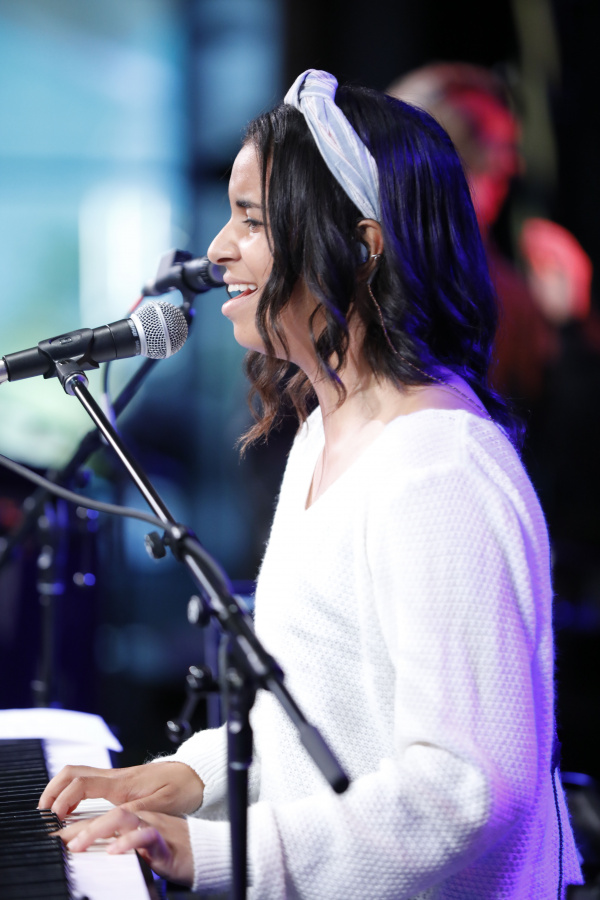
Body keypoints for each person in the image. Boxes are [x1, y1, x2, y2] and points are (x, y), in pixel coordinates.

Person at [39, 69, 582, 898]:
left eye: (253, 220)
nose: (217, 249)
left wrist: (207, 851)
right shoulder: (328, 430)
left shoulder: (438, 471)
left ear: (360, 246)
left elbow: (463, 792)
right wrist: (185, 778)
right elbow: (328, 724)